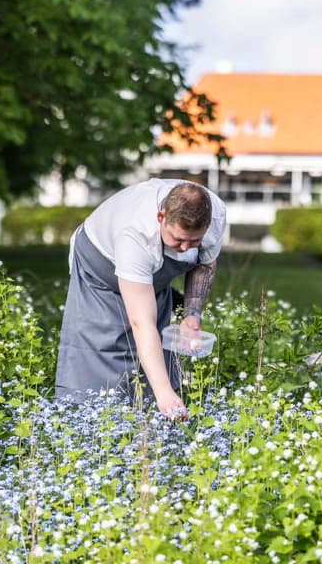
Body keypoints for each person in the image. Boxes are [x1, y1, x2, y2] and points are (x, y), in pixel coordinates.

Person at [55, 178, 226, 420]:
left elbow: (204, 264)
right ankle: (93, 422)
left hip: (149, 274)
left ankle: (148, 423)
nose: (185, 248)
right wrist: (163, 392)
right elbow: (141, 322)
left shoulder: (215, 215)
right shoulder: (135, 232)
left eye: (194, 241)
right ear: (161, 217)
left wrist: (191, 316)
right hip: (100, 268)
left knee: (158, 341)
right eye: (178, 239)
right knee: (108, 345)